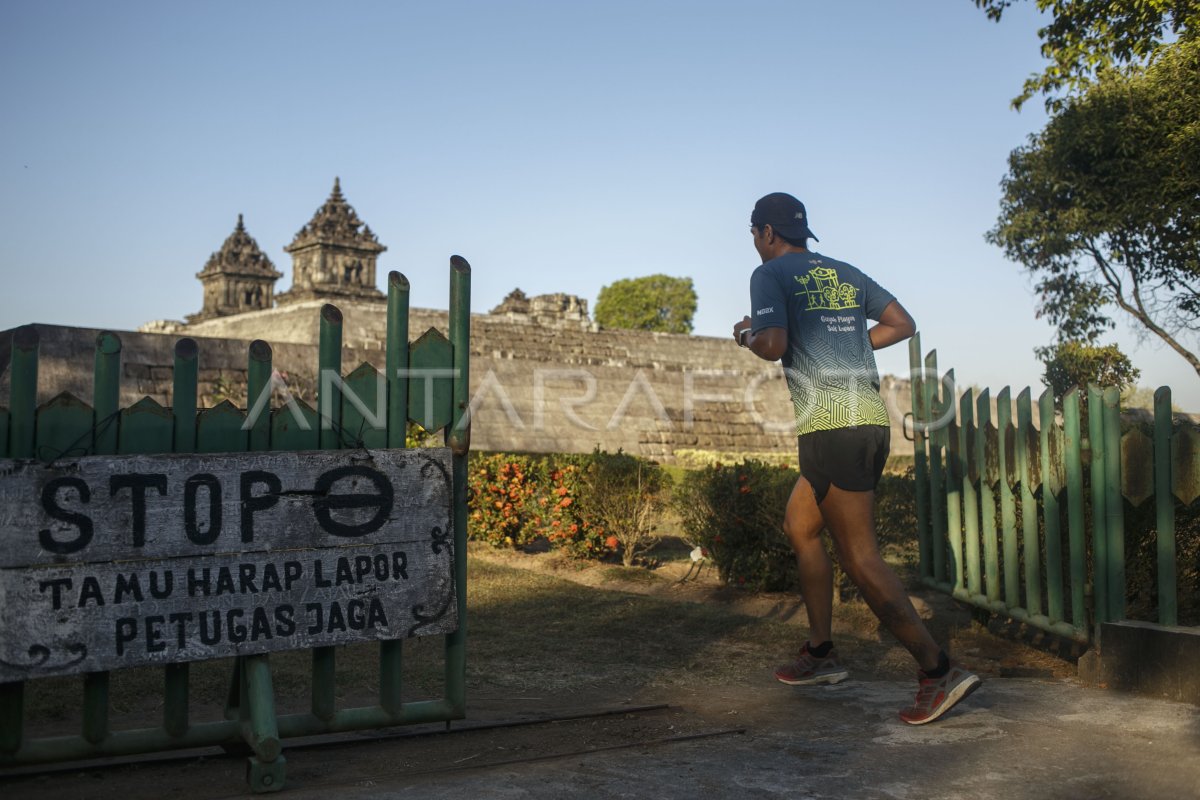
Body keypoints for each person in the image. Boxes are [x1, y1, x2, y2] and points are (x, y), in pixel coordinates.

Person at [732, 192, 980, 725]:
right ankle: (821, 653)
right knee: (801, 525)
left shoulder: (769, 275)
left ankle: (938, 671)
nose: (756, 243)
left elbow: (773, 345)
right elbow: (902, 323)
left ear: (767, 234)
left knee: (862, 558)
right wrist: (843, 346)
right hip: (863, 420)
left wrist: (747, 333)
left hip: (833, 427)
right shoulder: (844, 272)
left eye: (755, 235)